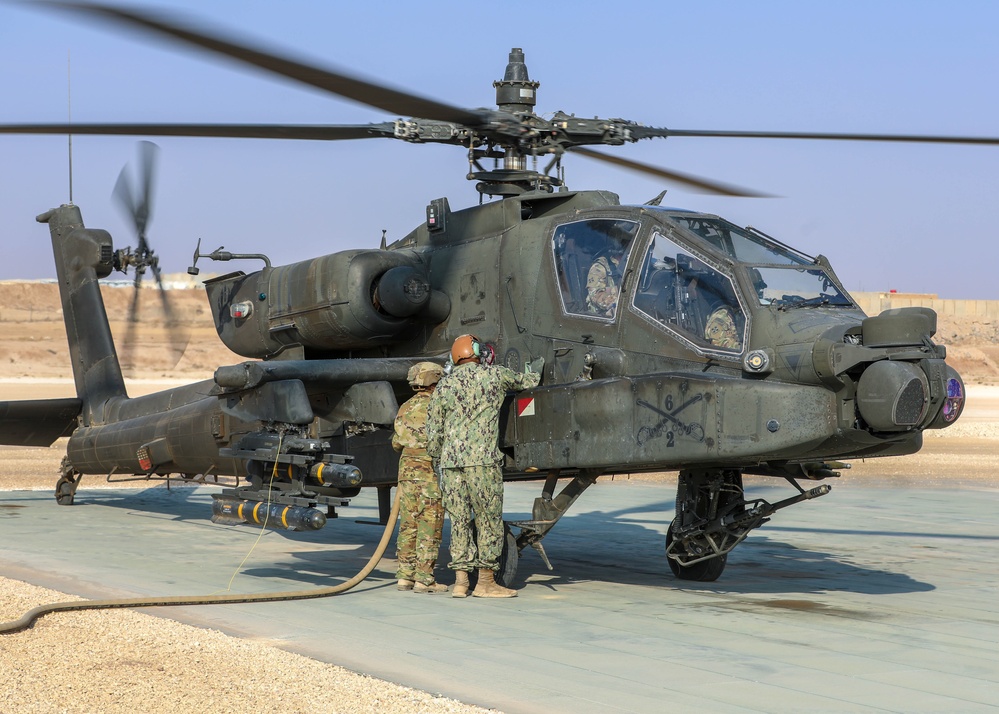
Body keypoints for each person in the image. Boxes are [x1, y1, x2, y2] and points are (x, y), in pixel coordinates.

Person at [426, 335, 541, 598]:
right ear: (477, 352)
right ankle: (486, 581)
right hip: (483, 462)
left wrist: (439, 459)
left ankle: (460, 582)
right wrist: (532, 368)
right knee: (488, 520)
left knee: (459, 522)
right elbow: (529, 381)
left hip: (452, 465)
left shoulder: (444, 386)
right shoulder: (494, 375)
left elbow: (433, 434)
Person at [392, 361, 448, 593]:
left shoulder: (405, 406)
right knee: (429, 524)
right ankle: (424, 580)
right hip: (429, 473)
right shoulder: (438, 405)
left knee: (408, 524)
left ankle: (405, 576)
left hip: (406, 472)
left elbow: (397, 442)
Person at [586, 246, 624, 317]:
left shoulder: (629, 267)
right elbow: (596, 294)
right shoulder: (599, 267)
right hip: (600, 317)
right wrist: (616, 303)